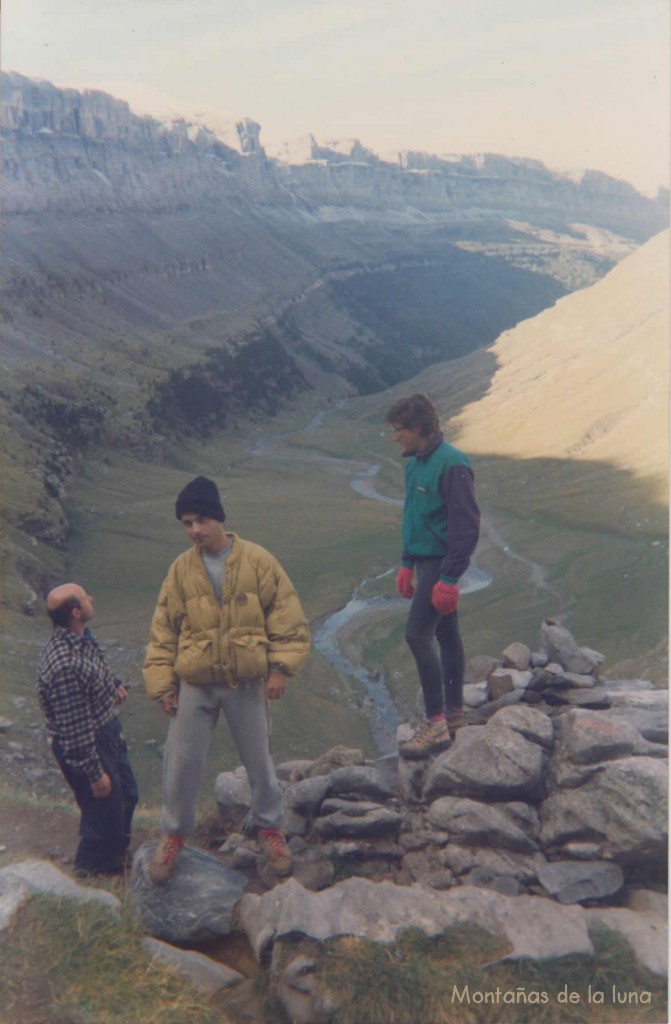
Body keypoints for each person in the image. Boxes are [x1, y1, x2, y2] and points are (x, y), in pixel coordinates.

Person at [143, 475, 310, 883]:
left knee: (259, 761)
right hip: (195, 685)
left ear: (218, 518)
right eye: (186, 523)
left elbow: (286, 615)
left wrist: (279, 668)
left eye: (200, 520)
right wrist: (163, 685)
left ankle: (271, 829)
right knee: (181, 765)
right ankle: (174, 836)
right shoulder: (180, 571)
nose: (194, 531)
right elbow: (163, 631)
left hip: (246, 682)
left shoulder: (257, 561)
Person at [386, 394, 480, 759]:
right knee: (448, 635)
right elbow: (413, 513)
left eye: (399, 430)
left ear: (420, 427)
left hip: (441, 564)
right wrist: (407, 561)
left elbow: (466, 526)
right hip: (424, 562)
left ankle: (436, 723)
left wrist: (450, 578)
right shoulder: (413, 463)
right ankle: (455, 716)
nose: (395, 437)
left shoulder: (452, 463)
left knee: (416, 634)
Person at [37, 583, 138, 876]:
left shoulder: (80, 640)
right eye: (85, 597)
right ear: (76, 611)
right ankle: (90, 874)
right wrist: (94, 773)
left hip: (105, 732)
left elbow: (94, 672)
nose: (92, 597)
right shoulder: (64, 665)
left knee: (126, 798)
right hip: (89, 745)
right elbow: (73, 729)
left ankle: (116, 858)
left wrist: (113, 686)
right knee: (101, 814)